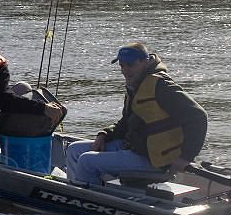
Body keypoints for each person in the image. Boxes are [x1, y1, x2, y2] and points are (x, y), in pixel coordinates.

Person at [65, 42, 207, 185]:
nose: (125, 70)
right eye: (122, 65)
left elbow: (198, 116)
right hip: (134, 148)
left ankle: (88, 200)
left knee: (87, 161)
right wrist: (105, 135)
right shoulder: (136, 85)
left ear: (144, 61)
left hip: (154, 160)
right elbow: (126, 122)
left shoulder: (161, 86)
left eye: (130, 65)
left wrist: (185, 157)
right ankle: (74, 190)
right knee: (74, 150)